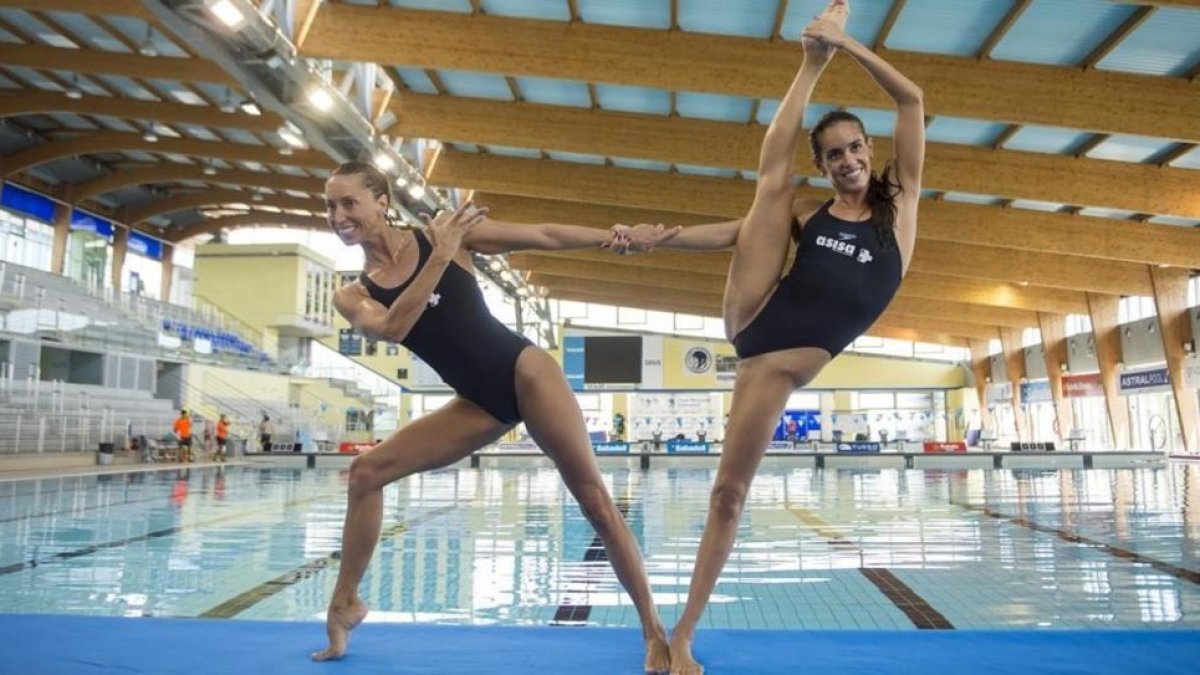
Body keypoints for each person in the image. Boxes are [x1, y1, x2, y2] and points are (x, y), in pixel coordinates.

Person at [612, 3, 923, 671]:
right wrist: (657, 241)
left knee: (728, 495)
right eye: (834, 153)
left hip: (774, 367)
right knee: (769, 192)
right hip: (757, 322)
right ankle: (806, 68)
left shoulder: (900, 211)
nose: (847, 160)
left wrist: (847, 43)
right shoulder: (808, 212)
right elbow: (739, 232)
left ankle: (681, 634)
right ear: (825, 164)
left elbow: (912, 97)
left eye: (855, 148)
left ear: (871, 152)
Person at [311, 161, 669, 672]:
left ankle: (655, 632)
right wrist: (440, 253)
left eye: (349, 203)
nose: (338, 215)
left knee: (595, 504)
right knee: (366, 473)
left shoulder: (448, 232)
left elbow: (542, 235)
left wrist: (617, 237)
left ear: (382, 201)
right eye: (330, 205)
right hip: (477, 401)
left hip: (525, 372)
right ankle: (345, 603)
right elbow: (393, 327)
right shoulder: (356, 292)